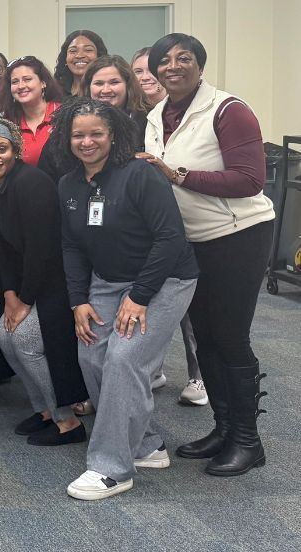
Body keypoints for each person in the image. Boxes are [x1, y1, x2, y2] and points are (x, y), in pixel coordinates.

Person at [49, 99, 199, 500]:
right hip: (107, 280)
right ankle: (147, 444)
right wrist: (78, 300)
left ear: (113, 134)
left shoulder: (139, 175)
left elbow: (170, 239)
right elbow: (71, 246)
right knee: (91, 354)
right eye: (78, 134)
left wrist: (140, 295)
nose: (87, 141)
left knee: (124, 357)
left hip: (165, 279)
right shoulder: (68, 184)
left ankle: (112, 468)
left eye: (96, 133)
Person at [141, 33, 277, 477]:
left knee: (229, 336)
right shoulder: (158, 114)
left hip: (237, 235)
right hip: (192, 239)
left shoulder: (228, 110)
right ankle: (223, 428)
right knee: (205, 335)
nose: (173, 66)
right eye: (165, 60)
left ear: (200, 65)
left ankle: (246, 441)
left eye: (184, 58)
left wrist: (176, 174)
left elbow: (248, 180)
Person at [81, 55, 204, 405]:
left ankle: (194, 375)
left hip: (163, 224)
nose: (106, 89)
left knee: (162, 317)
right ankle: (132, 383)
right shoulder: (85, 121)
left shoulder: (148, 119)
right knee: (111, 343)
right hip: (112, 233)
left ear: (128, 85)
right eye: (99, 83)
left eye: (114, 82)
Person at [0, 119, 88, 446]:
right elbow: (2, 248)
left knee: (23, 337)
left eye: (1, 149)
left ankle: (67, 421)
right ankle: (44, 411)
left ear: (15, 149)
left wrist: (23, 300)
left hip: (57, 282)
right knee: (3, 333)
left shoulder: (31, 183)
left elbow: (42, 250)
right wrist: (10, 294)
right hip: (28, 283)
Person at [0, 56, 63, 167]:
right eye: (15, 82)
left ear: (43, 83)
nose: (21, 86)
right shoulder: (7, 123)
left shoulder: (64, 114)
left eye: (27, 79)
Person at [54, 30, 108, 98]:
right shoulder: (54, 92)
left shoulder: (106, 92)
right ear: (65, 58)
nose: (79, 55)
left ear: (99, 55)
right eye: (73, 51)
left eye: (88, 50)